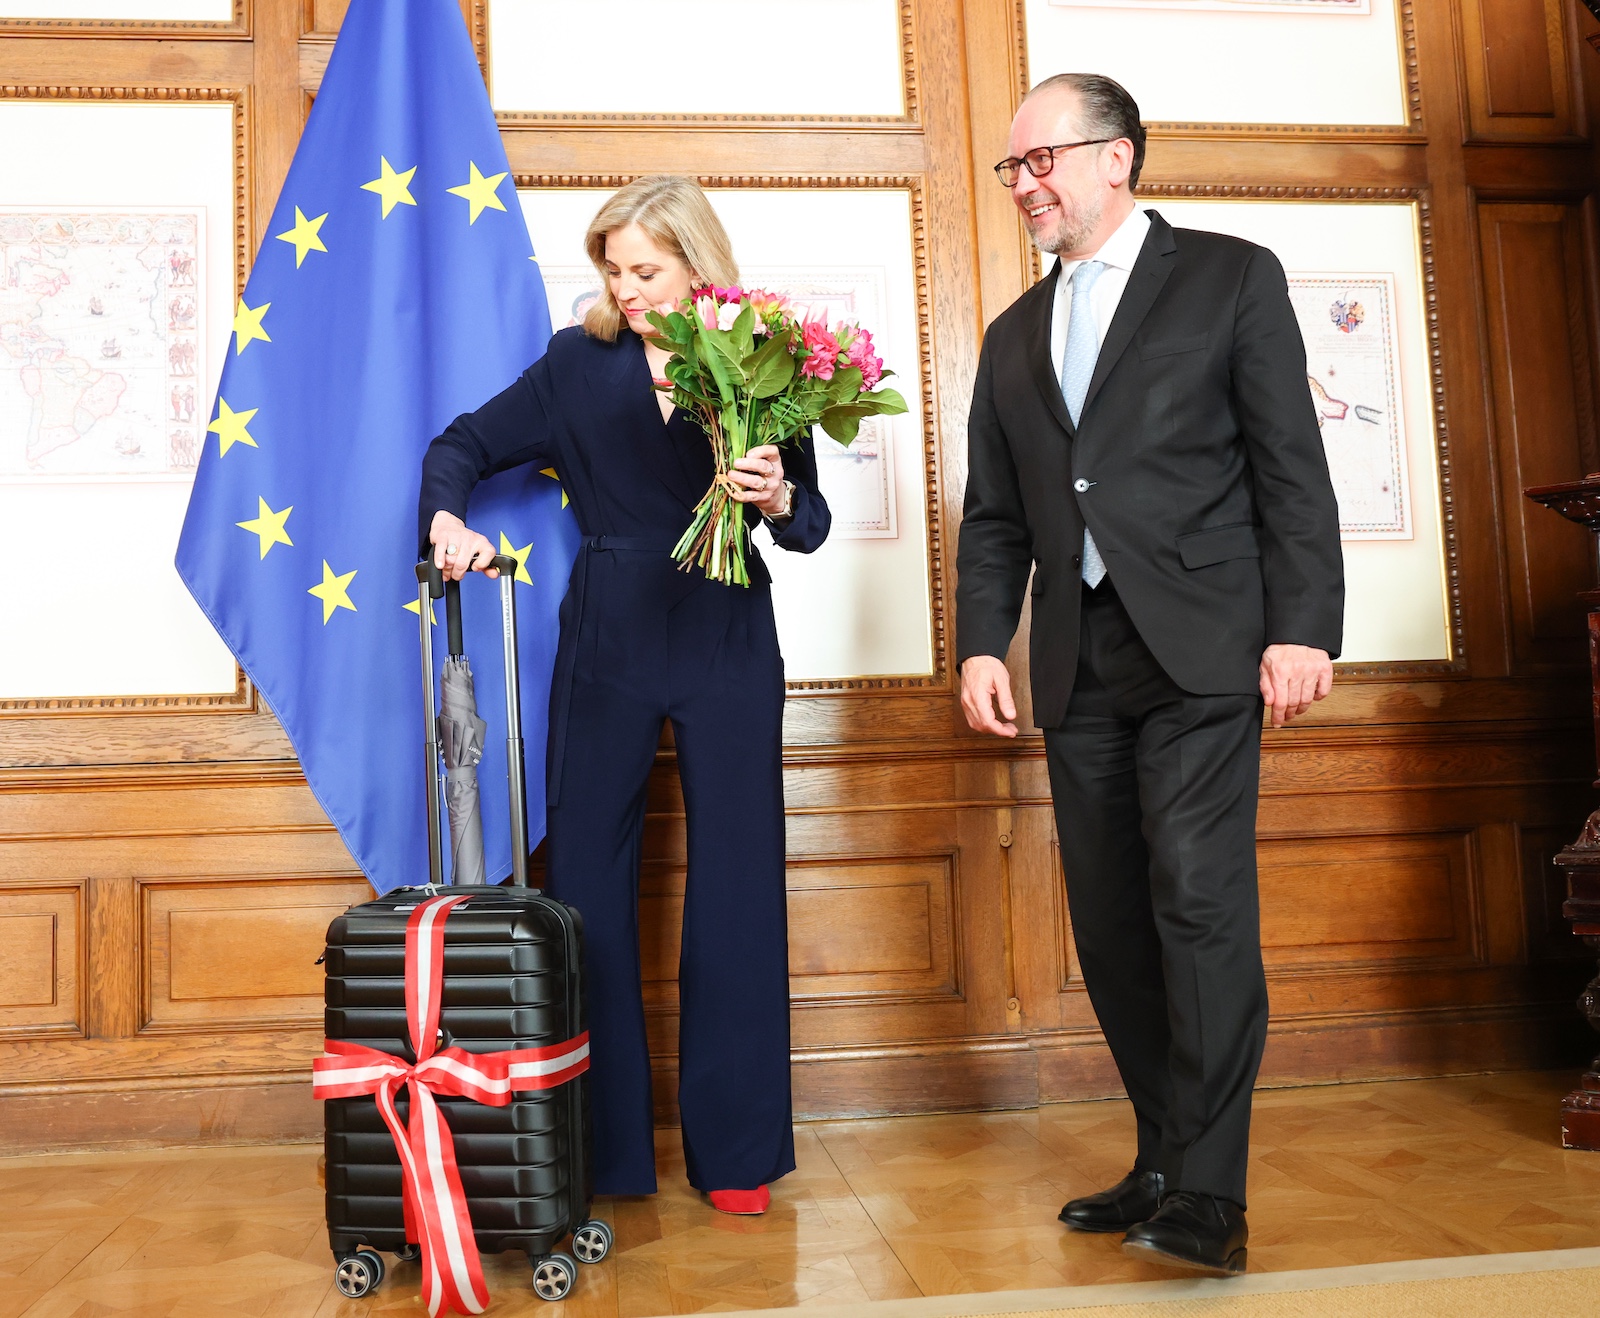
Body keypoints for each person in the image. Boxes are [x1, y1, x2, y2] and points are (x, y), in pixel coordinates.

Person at [956, 74, 1344, 1275]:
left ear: (1114, 157)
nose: (1024, 185)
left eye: (1040, 162)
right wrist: (979, 640)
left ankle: (1211, 1197)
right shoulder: (1012, 334)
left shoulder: (1231, 275)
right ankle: (1164, 1155)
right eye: (1012, 169)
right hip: (1076, 667)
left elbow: (1289, 466)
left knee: (1198, 902)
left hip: (1206, 649)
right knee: (1116, 924)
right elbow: (994, 517)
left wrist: (1304, 626)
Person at [419, 175, 830, 1214]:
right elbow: (458, 445)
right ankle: (600, 1153)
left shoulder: (768, 356)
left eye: (644, 269)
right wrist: (446, 523)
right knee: (588, 885)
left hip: (729, 629)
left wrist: (780, 494)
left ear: (698, 263)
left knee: (738, 884)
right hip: (606, 631)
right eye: (612, 269)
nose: (625, 287)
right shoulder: (575, 362)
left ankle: (735, 1156)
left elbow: (811, 522)